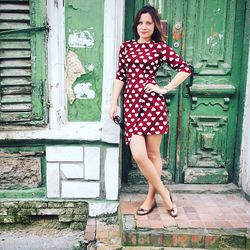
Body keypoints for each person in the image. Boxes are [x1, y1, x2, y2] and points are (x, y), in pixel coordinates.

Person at [109, 5, 191, 217]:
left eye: (148, 23)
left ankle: (150, 198)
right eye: (140, 23)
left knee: (153, 154)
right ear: (136, 25)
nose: (144, 27)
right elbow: (120, 76)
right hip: (132, 105)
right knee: (138, 154)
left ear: (154, 26)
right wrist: (113, 103)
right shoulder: (126, 47)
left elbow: (184, 69)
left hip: (153, 105)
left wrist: (163, 89)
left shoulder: (159, 48)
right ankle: (165, 194)